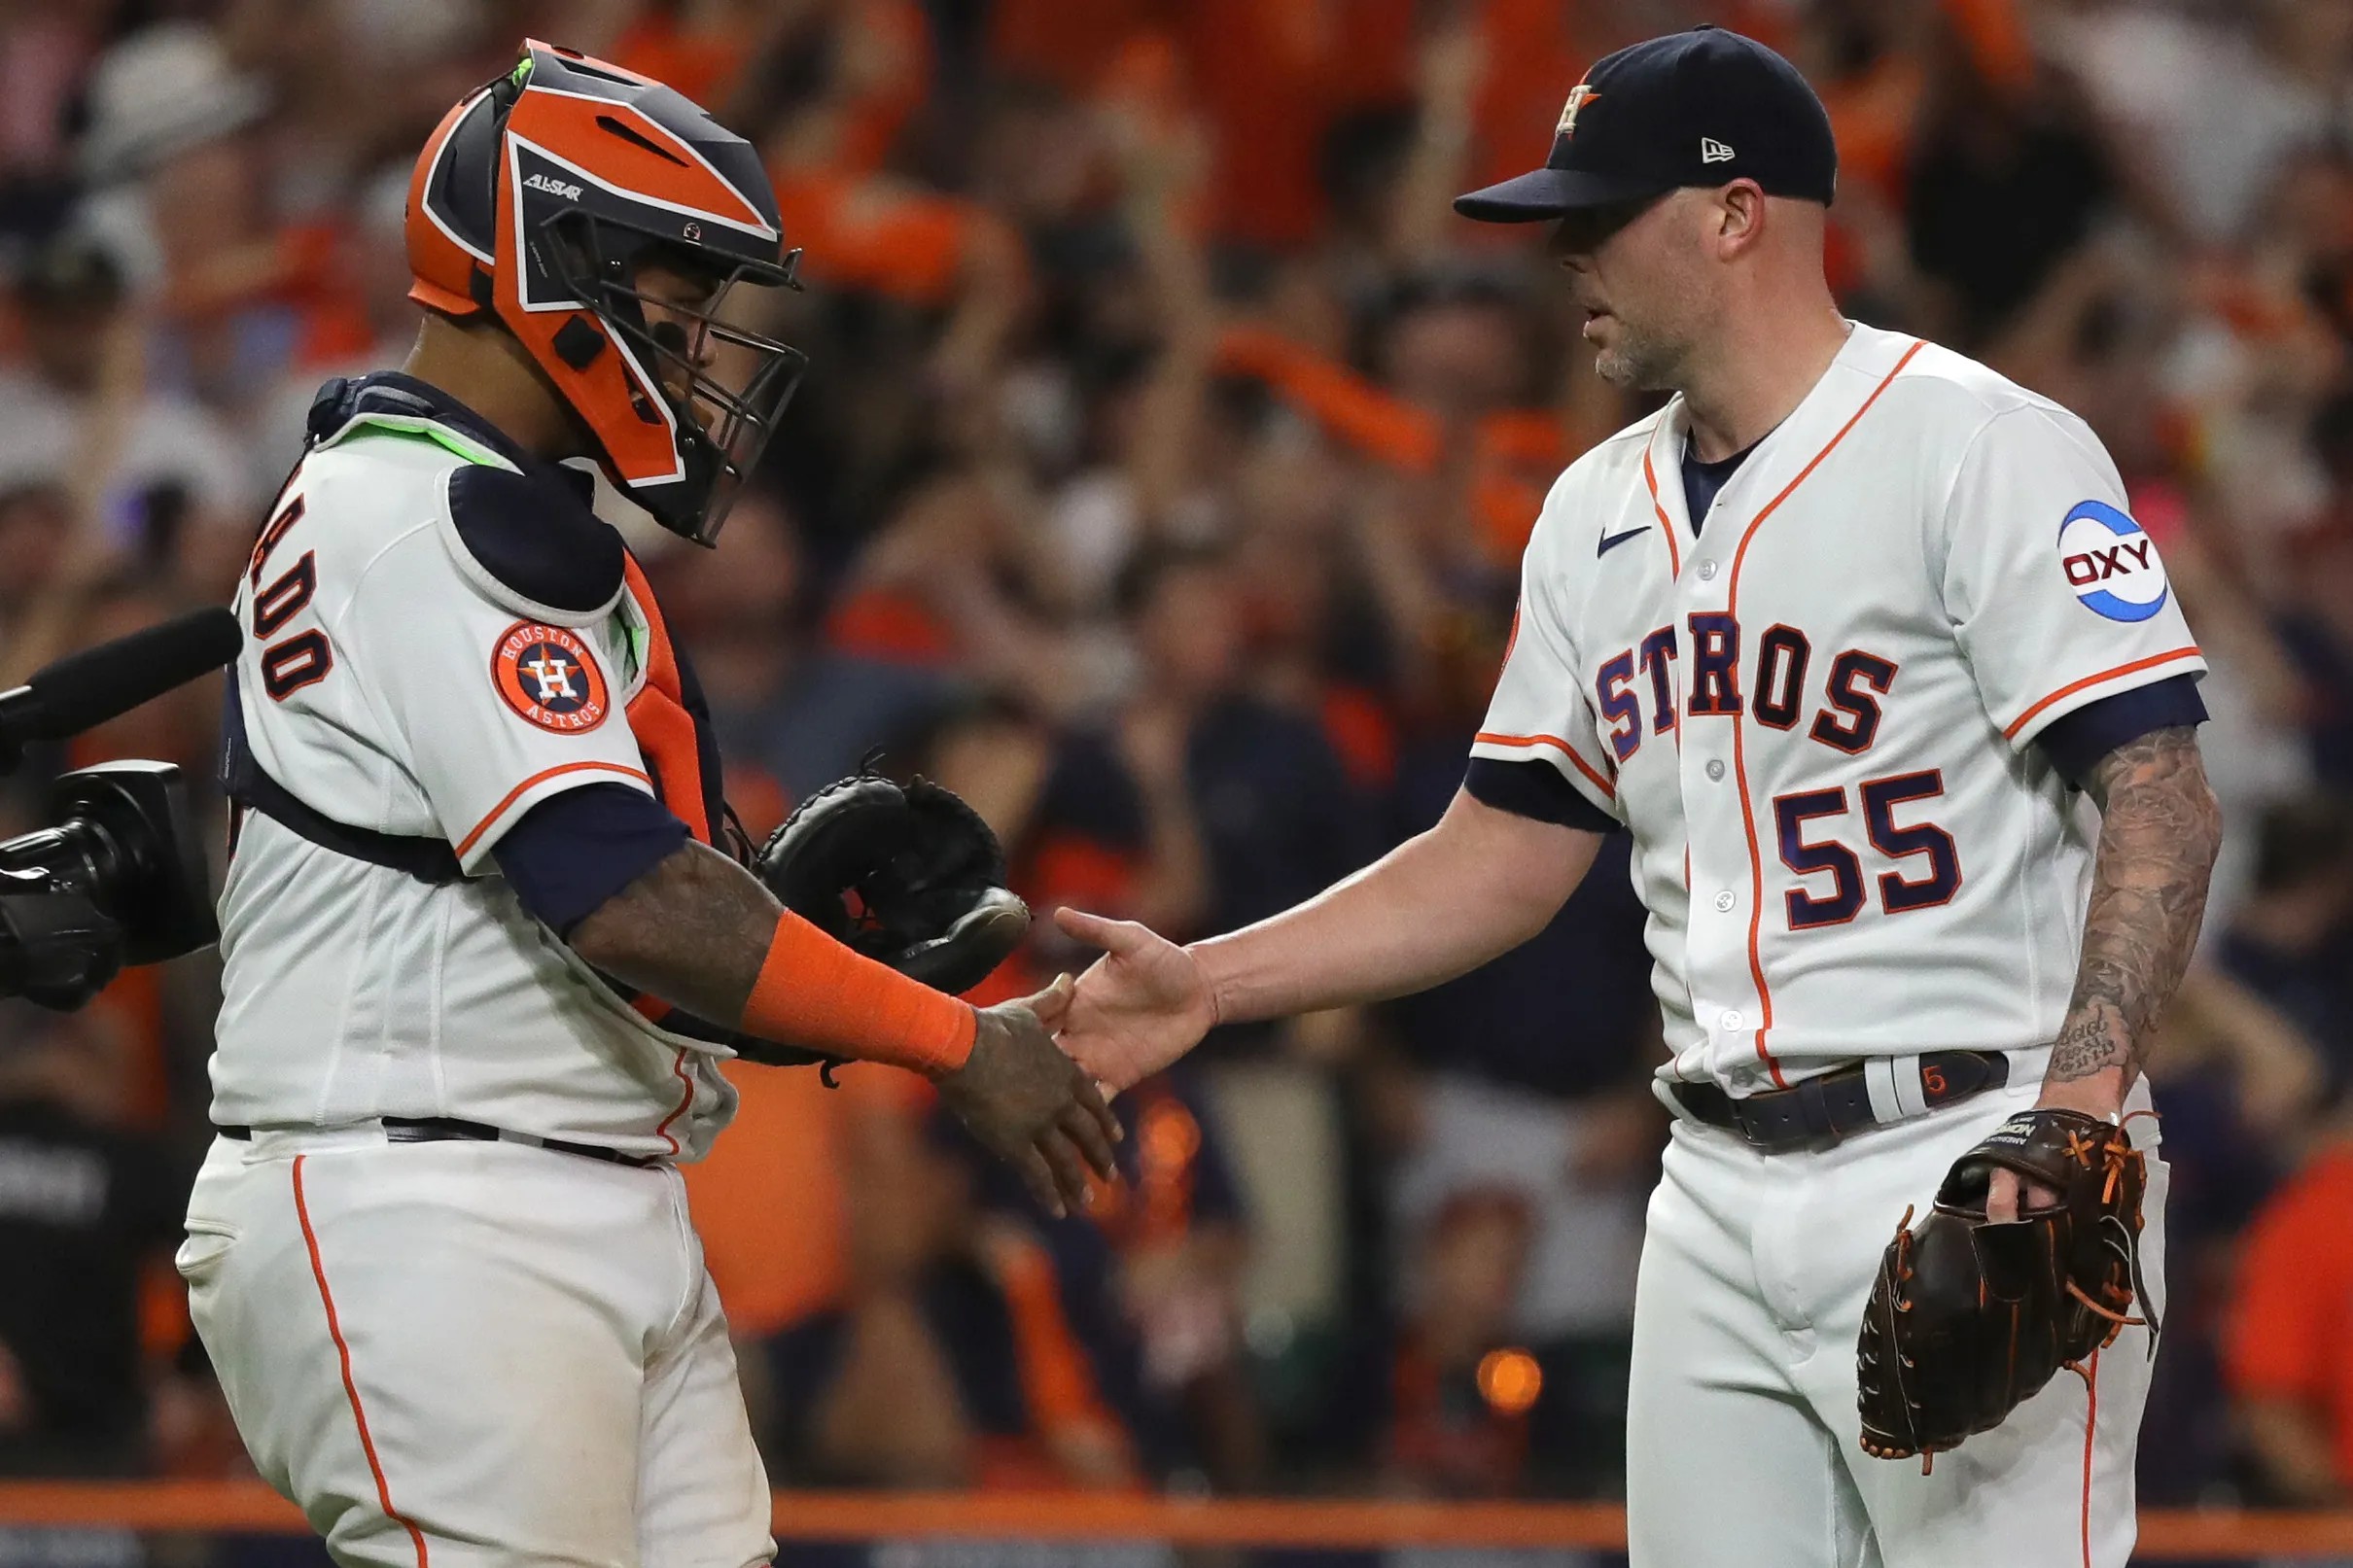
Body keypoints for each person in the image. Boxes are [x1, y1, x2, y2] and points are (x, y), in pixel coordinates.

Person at [1050, 26, 2223, 1568]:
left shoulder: (1980, 446)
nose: (1569, 256)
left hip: (1974, 1147)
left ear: (1738, 214)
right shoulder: (1594, 508)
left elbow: (2160, 790)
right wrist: (1208, 979)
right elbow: (1501, 856)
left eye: (1601, 217)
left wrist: (2074, 1118)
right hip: (1714, 1188)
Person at [177, 42, 1114, 1568]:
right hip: (439, 1203)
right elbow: (625, 893)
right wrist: (949, 1038)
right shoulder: (436, 519)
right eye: (671, 311)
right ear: (550, 272)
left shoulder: (426, 495)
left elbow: (610, 912)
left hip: (548, 1180)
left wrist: (775, 953)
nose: (694, 357)